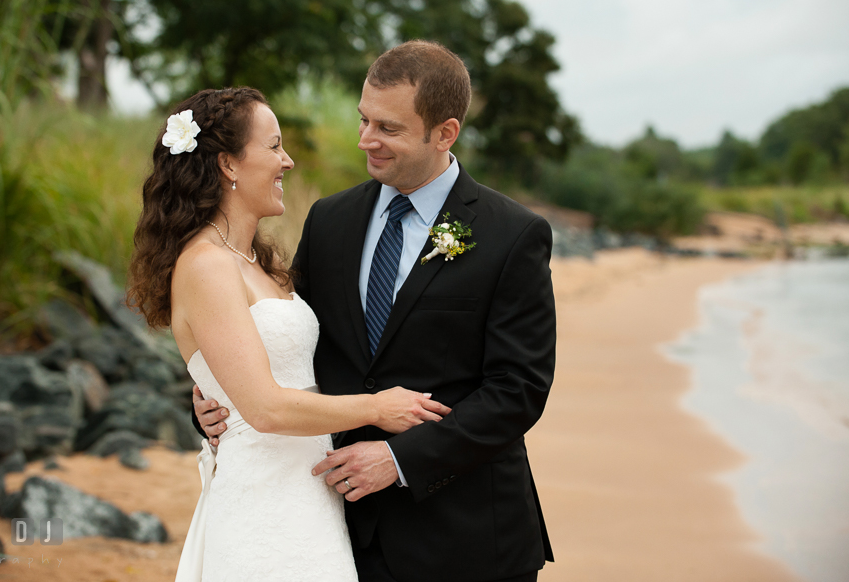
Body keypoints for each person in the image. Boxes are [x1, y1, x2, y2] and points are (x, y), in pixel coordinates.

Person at [194, 40, 556, 582]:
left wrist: (401, 460)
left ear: (445, 133)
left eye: (389, 129)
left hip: (468, 539)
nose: (367, 140)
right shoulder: (329, 219)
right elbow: (287, 340)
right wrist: (210, 400)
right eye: (364, 120)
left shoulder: (513, 235)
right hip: (340, 529)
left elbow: (518, 389)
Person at [127, 86, 453, 582]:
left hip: (311, 499)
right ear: (229, 165)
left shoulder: (262, 263)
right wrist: (377, 407)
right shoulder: (207, 266)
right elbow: (263, 407)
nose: (288, 161)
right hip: (264, 504)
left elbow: (287, 367)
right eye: (274, 146)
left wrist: (213, 401)